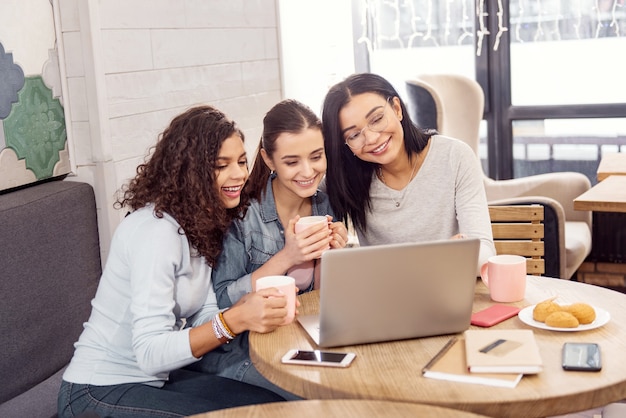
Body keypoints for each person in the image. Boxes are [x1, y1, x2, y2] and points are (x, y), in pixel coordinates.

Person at [57, 105, 288, 418]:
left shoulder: (198, 226)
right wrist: (236, 320)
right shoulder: (156, 232)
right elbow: (150, 353)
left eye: (241, 161)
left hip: (153, 382)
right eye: (222, 165)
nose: (239, 175)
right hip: (96, 391)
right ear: (190, 172)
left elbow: (204, 314)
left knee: (275, 408)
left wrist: (242, 308)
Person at [320, 73, 495, 274]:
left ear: (397, 108)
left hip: (447, 292)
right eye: (354, 135)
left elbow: (485, 254)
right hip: (384, 299)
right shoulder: (347, 177)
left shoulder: (455, 157)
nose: (372, 138)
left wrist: (441, 258)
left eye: (377, 119)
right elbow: (298, 189)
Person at [212, 98, 348, 306]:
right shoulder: (242, 215)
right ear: (269, 160)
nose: (308, 171)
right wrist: (288, 257)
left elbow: (320, 299)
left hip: (309, 326)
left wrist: (332, 257)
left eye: (316, 156)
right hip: (259, 336)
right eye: (292, 162)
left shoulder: (326, 204)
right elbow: (222, 299)